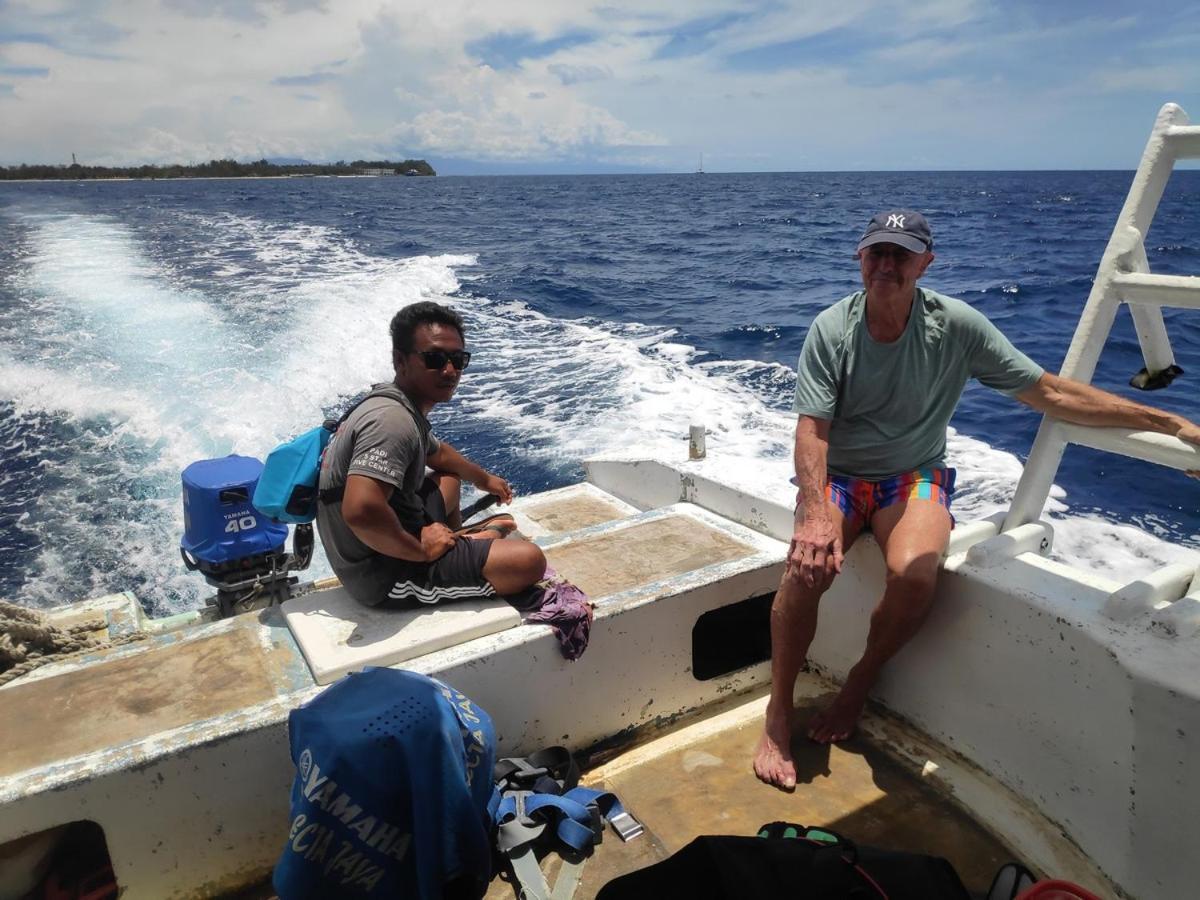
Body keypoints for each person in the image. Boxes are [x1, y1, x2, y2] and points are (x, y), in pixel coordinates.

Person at [754, 209, 1200, 791]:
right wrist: (814, 515)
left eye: (901, 254)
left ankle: (858, 686)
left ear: (925, 263)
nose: (887, 265)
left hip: (912, 475)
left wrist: (1169, 422)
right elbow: (811, 431)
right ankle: (778, 712)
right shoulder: (831, 329)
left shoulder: (956, 325)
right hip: (839, 476)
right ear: (859, 258)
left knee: (915, 576)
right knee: (804, 573)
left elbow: (1049, 392)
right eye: (876, 253)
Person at [316, 301, 546, 609]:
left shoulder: (396, 404)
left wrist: (486, 480)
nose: (449, 370)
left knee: (449, 480)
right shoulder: (391, 421)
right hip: (383, 573)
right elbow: (361, 510)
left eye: (457, 359)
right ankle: (456, 547)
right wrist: (421, 551)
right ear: (401, 361)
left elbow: (440, 456)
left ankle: (455, 541)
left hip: (388, 534)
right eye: (435, 358)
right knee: (529, 561)